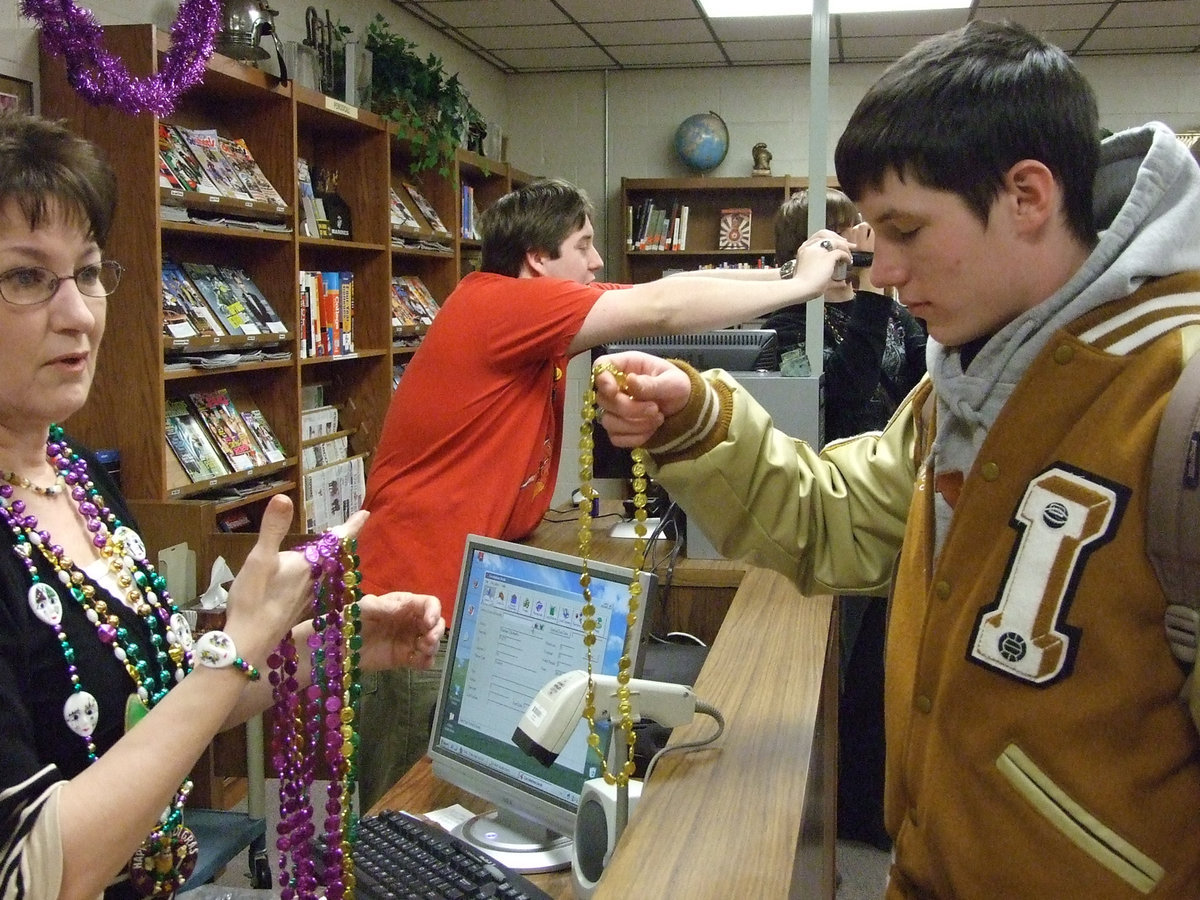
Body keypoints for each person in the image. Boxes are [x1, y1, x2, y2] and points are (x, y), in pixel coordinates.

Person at [592, 20, 1200, 898]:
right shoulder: (968, 379)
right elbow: (836, 519)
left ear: (1027, 196)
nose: (882, 271)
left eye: (906, 230)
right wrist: (701, 419)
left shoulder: (1174, 403)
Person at [0, 111, 445, 900]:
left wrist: (327, 643)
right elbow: (39, 869)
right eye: (26, 277)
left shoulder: (71, 472)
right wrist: (237, 646)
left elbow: (167, 693)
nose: (78, 315)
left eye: (91, 272)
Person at [355, 176, 853, 809]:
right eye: (584, 244)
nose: (596, 262)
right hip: (414, 602)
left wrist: (788, 271)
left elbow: (665, 290)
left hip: (458, 593)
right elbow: (662, 309)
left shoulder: (529, 320)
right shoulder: (498, 303)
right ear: (537, 259)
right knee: (404, 807)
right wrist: (803, 287)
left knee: (458, 797)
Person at [765, 187, 926, 850]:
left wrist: (877, 299)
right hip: (831, 495)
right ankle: (829, 809)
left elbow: (919, 391)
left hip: (899, 495)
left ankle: (871, 804)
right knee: (840, 663)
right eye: (838, 232)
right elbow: (841, 392)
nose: (856, 240)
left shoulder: (892, 312)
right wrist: (858, 299)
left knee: (886, 664)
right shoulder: (782, 320)